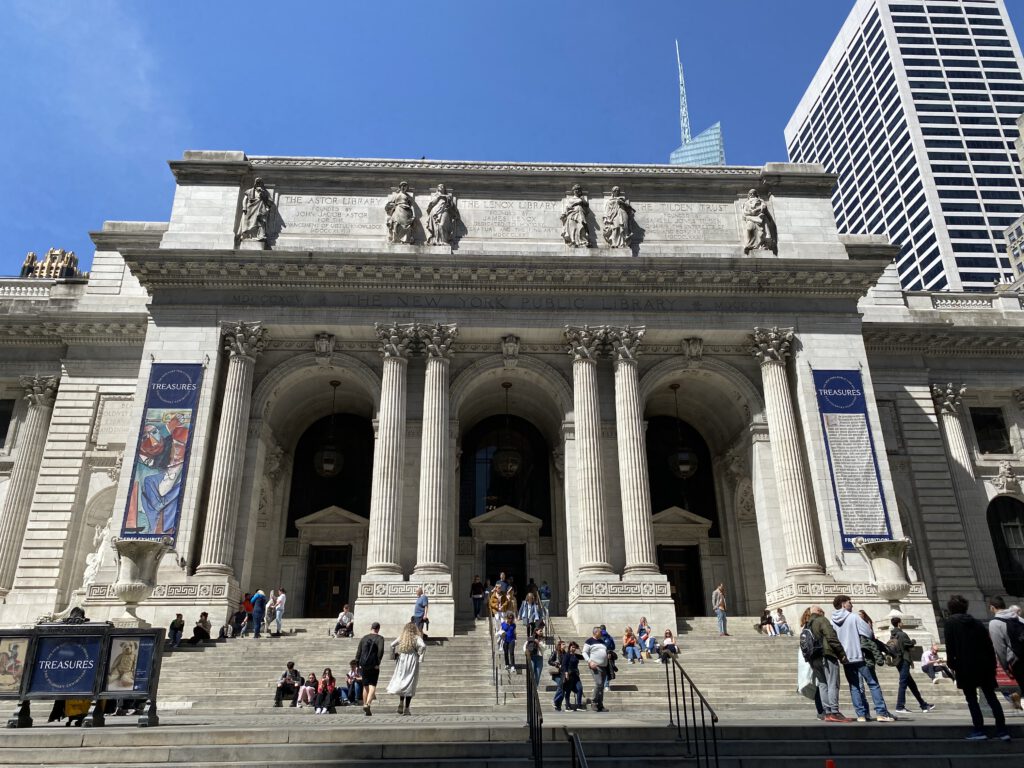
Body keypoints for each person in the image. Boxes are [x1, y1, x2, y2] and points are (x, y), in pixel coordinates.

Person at [945, 594, 1010, 741]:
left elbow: (950, 646)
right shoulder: (977, 622)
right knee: (992, 697)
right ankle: (1002, 730)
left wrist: (952, 664)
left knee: (972, 700)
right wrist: (992, 665)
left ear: (950, 609)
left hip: (965, 666)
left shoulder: (950, 623)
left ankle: (979, 730)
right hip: (984, 666)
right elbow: (988, 646)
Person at [830, 595, 895, 722]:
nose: (851, 605)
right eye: (849, 602)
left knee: (854, 686)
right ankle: (881, 713)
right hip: (860, 656)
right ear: (843, 604)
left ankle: (861, 715)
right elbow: (868, 632)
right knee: (873, 684)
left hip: (845, 658)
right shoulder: (853, 617)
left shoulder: (832, 621)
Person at [807, 605, 851, 722]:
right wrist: (841, 653)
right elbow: (831, 637)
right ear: (820, 612)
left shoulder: (808, 624)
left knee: (822, 684)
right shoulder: (822, 620)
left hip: (813, 658)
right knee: (832, 683)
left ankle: (827, 712)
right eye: (823, 611)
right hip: (826, 655)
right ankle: (834, 712)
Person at [890, 616, 935, 714]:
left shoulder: (892, 635)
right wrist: (913, 641)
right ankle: (900, 706)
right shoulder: (902, 634)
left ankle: (923, 705)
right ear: (899, 623)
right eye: (901, 622)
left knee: (912, 684)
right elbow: (909, 644)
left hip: (898, 661)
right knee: (903, 683)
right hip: (904, 660)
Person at [387, 622, 426, 715]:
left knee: (402, 680)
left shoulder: (402, 637)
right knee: (410, 682)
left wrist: (393, 655)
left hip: (402, 659)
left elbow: (392, 644)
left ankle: (401, 701)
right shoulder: (416, 637)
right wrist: (419, 654)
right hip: (412, 659)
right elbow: (423, 646)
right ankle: (407, 708)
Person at [988, 596, 1024, 693]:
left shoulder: (994, 623)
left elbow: (1000, 649)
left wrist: (1006, 667)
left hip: (1017, 661)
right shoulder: (1019, 619)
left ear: (992, 607)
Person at [356, 621, 385, 716]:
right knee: (372, 685)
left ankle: (365, 704)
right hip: (373, 665)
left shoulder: (364, 638)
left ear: (371, 628)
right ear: (378, 629)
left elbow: (359, 651)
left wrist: (357, 664)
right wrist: (378, 662)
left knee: (365, 686)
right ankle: (368, 704)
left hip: (363, 665)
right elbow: (380, 651)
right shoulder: (380, 638)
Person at [583, 627, 610, 712]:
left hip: (604, 666)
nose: (601, 633)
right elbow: (584, 652)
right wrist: (589, 661)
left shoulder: (602, 641)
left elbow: (606, 650)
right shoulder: (589, 641)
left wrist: (608, 654)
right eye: (600, 632)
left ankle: (600, 705)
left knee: (601, 686)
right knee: (599, 683)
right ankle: (594, 702)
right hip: (595, 666)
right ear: (595, 632)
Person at [742, 188, 777, 254]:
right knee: (749, 229)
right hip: (750, 218)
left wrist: (756, 210)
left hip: (760, 218)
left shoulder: (760, 200)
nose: (752, 194)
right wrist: (751, 212)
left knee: (761, 234)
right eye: (750, 193)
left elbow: (763, 207)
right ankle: (749, 244)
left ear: (756, 194)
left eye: (753, 193)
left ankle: (760, 245)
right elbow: (744, 212)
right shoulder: (746, 203)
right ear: (748, 195)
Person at [239, 177, 273, 241]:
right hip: (250, 209)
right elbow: (245, 200)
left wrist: (263, 195)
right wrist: (244, 207)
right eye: (257, 183)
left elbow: (270, 202)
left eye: (260, 183)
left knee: (261, 221)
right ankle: (245, 235)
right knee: (247, 222)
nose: (258, 185)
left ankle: (261, 235)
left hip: (261, 208)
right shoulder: (249, 191)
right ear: (255, 184)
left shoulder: (264, 192)